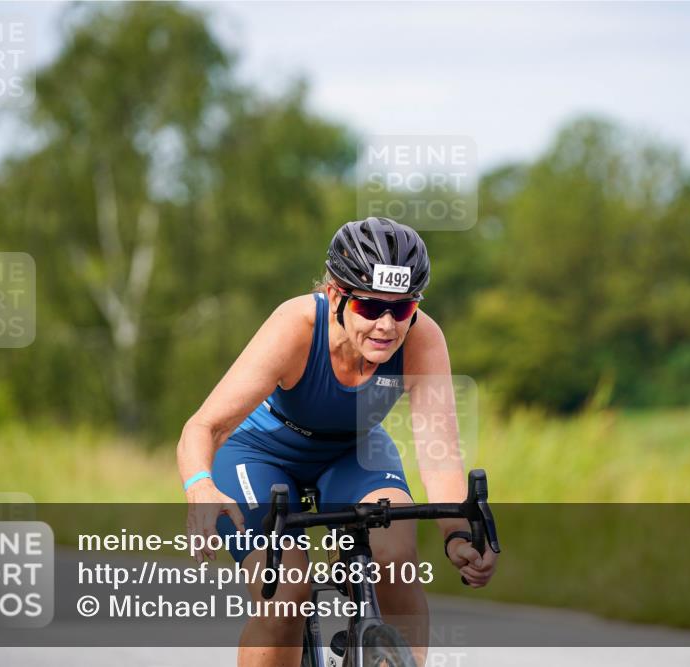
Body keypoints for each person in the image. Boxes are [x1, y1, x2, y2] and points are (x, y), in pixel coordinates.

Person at [177, 216, 498, 666]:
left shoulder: (423, 339)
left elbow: (439, 452)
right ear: (335, 295)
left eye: (402, 309)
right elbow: (203, 427)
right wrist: (200, 486)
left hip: (353, 451)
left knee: (397, 558)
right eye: (370, 307)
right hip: (260, 455)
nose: (387, 325)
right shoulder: (297, 326)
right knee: (288, 591)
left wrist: (458, 537)